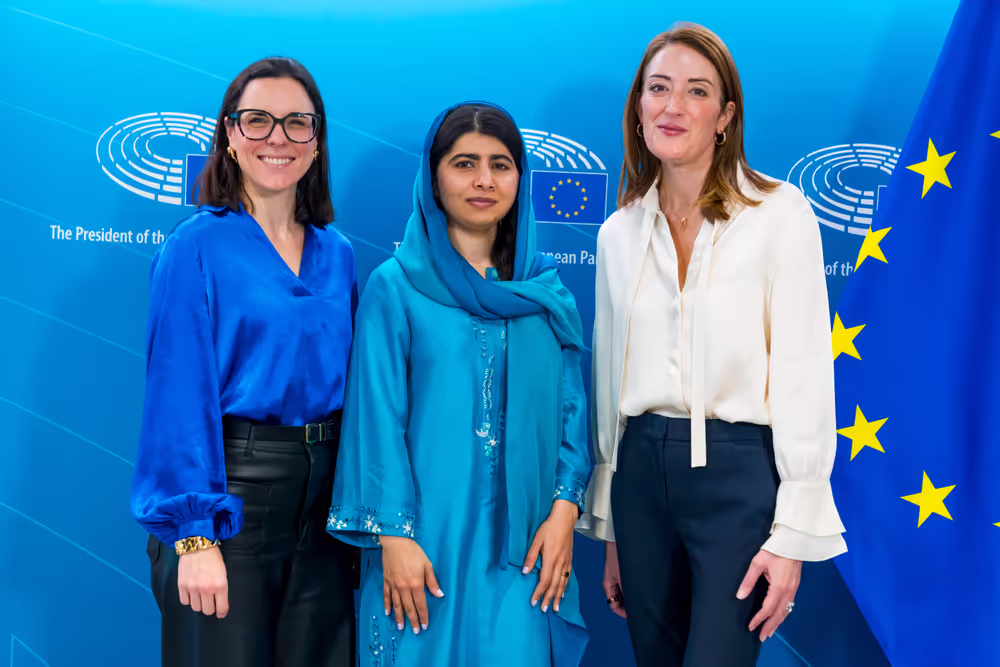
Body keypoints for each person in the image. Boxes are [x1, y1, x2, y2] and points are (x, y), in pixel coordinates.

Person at [576, 23, 848, 667]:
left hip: (738, 477)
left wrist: (791, 536)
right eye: (658, 89)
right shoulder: (618, 232)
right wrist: (612, 523)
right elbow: (611, 378)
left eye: (696, 92)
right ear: (638, 107)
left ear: (725, 115)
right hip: (639, 480)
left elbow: (805, 370)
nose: (673, 107)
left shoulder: (781, 214)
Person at [327, 102, 591, 666]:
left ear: (520, 179)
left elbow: (573, 417)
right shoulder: (395, 288)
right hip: (422, 544)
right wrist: (393, 538)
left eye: (501, 164)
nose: (483, 180)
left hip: (526, 548)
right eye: (464, 163)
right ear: (433, 177)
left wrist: (565, 511)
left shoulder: (545, 295)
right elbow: (377, 420)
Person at [130, 57, 357, 667]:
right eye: (257, 121)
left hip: (326, 517)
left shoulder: (338, 254)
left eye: (296, 123)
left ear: (317, 141)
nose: (277, 138)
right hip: (233, 499)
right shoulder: (195, 247)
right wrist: (196, 533)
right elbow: (177, 401)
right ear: (229, 135)